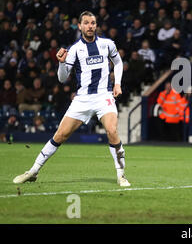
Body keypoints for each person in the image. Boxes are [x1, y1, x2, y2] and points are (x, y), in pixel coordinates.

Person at [13, 11, 131, 187]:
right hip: (82, 99)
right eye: (86, 23)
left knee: (112, 131)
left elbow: (119, 63)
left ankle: (121, 175)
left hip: (103, 96)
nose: (90, 26)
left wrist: (117, 84)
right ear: (80, 26)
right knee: (60, 135)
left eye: (93, 23)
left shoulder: (107, 44)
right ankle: (33, 171)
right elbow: (62, 79)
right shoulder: (75, 49)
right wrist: (61, 63)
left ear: (96, 25)